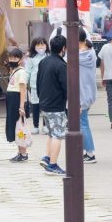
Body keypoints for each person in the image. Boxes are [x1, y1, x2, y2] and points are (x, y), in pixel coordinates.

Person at [37, 35, 69, 176]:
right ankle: (53, 165)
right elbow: (66, 87)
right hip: (56, 105)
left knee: (51, 133)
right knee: (57, 135)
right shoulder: (61, 65)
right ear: (63, 48)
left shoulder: (44, 61)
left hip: (44, 102)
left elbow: (38, 82)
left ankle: (48, 157)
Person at [75, 30, 98, 165]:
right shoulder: (91, 52)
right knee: (84, 122)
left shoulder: (78, 56)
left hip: (81, 94)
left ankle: (90, 152)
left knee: (83, 123)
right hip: (89, 92)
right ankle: (87, 151)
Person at [25, 37, 47, 133]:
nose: (41, 47)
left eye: (42, 44)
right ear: (34, 46)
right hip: (34, 86)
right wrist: (25, 83)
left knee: (46, 106)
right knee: (35, 106)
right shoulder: (31, 58)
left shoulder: (49, 56)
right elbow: (27, 72)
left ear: (46, 45)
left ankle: (46, 125)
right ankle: (35, 126)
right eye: (38, 45)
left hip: (47, 85)